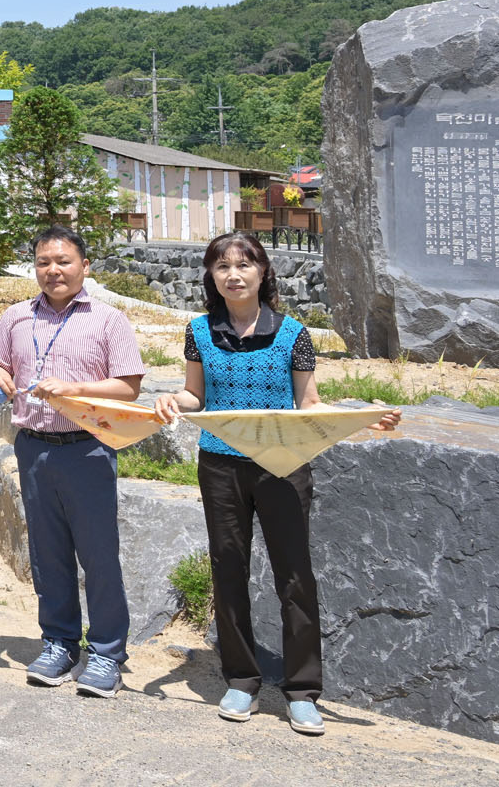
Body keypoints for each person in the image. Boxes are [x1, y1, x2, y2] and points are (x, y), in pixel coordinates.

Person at [151, 231, 400, 736]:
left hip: (283, 465)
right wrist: (173, 400)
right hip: (219, 465)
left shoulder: (293, 334)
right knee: (228, 569)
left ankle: (302, 691)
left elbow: (310, 405)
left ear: (263, 271)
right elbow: (197, 395)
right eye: (222, 266)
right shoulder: (199, 331)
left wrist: (360, 419)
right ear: (211, 275)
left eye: (244, 265)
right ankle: (241, 680)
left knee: (294, 576)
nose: (234, 275)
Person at [0, 224, 145, 698]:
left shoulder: (108, 320)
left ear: (84, 266)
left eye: (63, 261)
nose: (53, 270)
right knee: (47, 553)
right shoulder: (15, 317)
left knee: (98, 555)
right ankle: (59, 643)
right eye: (43, 262)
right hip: (32, 446)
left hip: (87, 448)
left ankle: (107, 652)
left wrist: (76, 389)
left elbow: (128, 386)